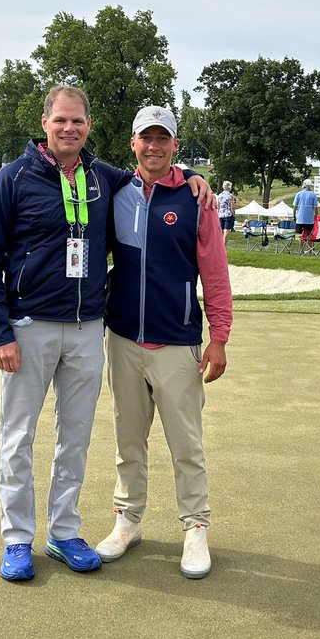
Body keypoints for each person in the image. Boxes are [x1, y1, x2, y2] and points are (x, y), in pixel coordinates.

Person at [0, 86, 211, 582]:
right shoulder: (12, 179)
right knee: (18, 437)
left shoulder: (105, 178)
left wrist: (193, 178)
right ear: (45, 123)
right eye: (61, 120)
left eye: (78, 122)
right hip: (28, 327)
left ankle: (64, 532)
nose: (69, 129)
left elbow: (155, 173)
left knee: (75, 437)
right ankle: (18, 539)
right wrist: (0, 332)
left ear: (89, 127)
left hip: (87, 329)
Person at [95, 106, 232, 580]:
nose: (153, 146)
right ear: (132, 143)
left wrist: (220, 337)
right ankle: (127, 520)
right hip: (124, 339)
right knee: (127, 440)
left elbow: (214, 275)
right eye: (145, 138)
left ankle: (195, 526)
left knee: (186, 444)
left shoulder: (198, 200)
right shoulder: (114, 191)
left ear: (175, 144)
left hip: (177, 343)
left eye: (163, 138)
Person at [217, 180, 235, 246]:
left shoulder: (219, 195)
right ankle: (223, 246)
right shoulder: (230, 196)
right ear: (229, 187)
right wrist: (233, 214)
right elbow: (232, 206)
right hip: (228, 214)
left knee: (220, 231)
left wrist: (217, 214)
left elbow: (218, 206)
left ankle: (219, 246)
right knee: (226, 231)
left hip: (220, 215)